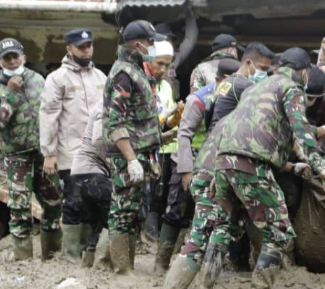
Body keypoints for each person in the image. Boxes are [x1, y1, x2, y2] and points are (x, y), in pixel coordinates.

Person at [202, 48, 325, 289]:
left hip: (223, 160)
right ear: (304, 72)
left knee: (224, 226)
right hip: (250, 164)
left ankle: (204, 287)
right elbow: (301, 129)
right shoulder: (291, 88)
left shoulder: (254, 88)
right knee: (279, 229)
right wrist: (320, 165)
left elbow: (253, 131)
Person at [155, 58, 240, 274]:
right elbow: (184, 134)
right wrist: (186, 171)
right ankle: (161, 263)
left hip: (216, 163)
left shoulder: (237, 98)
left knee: (212, 215)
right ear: (219, 79)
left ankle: (201, 264)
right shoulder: (200, 98)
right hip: (189, 159)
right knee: (176, 209)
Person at [0, 38, 62, 261]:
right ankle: (23, 261)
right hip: (17, 156)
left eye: (15, 56)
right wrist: (10, 94)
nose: (12, 61)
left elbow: (52, 112)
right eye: (7, 58)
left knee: (53, 201)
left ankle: (52, 255)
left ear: (24, 57)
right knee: (20, 208)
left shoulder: (38, 79)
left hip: (43, 153)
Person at [39, 28, 106, 262]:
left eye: (89, 45)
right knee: (74, 201)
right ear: (69, 48)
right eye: (81, 47)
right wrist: (49, 153)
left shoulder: (101, 77)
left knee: (92, 202)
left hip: (97, 154)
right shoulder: (57, 79)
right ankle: (70, 254)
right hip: (70, 153)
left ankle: (87, 251)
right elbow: (49, 115)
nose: (86, 50)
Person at [103, 20, 162, 275]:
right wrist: (131, 160)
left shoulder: (136, 70)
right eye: (150, 42)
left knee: (131, 211)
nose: (153, 46)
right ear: (138, 44)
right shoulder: (124, 74)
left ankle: (123, 265)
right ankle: (120, 269)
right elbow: (116, 122)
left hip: (139, 151)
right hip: (125, 153)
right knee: (122, 211)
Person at [142, 39, 179, 244]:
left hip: (164, 147)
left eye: (167, 65)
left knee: (159, 192)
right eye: (160, 64)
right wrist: (163, 119)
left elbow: (166, 119)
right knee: (145, 192)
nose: (163, 70)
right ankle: (145, 231)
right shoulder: (138, 81)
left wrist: (174, 119)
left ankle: (152, 232)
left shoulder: (165, 86)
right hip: (144, 147)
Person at [70, 105, 111, 269]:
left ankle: (88, 261)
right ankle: (102, 262)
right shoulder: (105, 107)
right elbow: (98, 140)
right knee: (112, 219)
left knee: (97, 223)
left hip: (80, 173)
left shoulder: (103, 107)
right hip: (93, 172)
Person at [208, 42, 275, 129]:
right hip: (227, 134)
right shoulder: (245, 85)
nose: (264, 73)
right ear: (248, 63)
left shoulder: (228, 81)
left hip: (215, 133)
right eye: (263, 68)